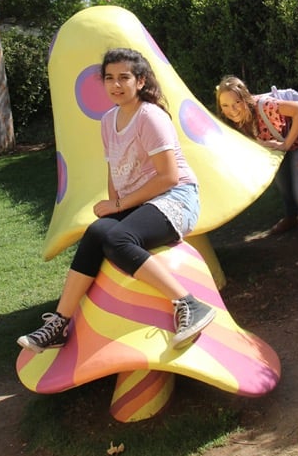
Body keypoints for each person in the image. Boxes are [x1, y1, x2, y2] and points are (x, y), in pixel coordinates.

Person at [17, 48, 215, 353]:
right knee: (97, 231)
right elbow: (115, 171)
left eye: (124, 77)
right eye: (109, 78)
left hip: (176, 199)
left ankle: (189, 303)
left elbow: (169, 178)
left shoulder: (150, 116)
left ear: (141, 81)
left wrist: (119, 208)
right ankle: (59, 323)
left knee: (118, 239)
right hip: (141, 202)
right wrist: (115, 206)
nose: (116, 85)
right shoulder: (108, 120)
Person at [215, 76, 298, 246]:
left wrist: (286, 144)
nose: (231, 110)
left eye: (236, 103)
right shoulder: (235, 120)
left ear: (245, 98)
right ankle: (292, 218)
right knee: (284, 189)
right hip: (278, 150)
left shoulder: (265, 105)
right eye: (225, 105)